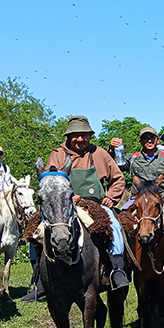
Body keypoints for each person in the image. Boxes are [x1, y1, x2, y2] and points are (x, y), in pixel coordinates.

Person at [41, 116, 129, 290]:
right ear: (68, 136)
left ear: (90, 136)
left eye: (84, 134)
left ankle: (117, 269)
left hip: (96, 203)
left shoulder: (100, 153)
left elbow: (118, 178)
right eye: (75, 135)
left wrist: (111, 197)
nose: (80, 139)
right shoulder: (57, 155)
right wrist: (68, 197)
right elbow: (49, 183)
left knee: (114, 225)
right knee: (37, 228)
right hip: (65, 205)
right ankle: (40, 280)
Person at [108, 126, 164, 256]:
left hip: (163, 198)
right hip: (137, 199)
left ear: (157, 140)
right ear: (140, 141)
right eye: (145, 138)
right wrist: (112, 149)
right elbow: (114, 163)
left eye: (152, 138)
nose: (149, 141)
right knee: (120, 217)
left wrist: (161, 196)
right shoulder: (133, 159)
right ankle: (122, 255)